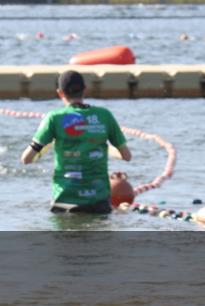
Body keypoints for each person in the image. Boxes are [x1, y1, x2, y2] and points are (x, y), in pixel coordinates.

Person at [20, 70, 132, 214]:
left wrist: (47, 146)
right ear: (85, 90)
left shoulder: (54, 118)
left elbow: (26, 159)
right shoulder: (104, 115)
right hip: (98, 201)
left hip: (64, 200)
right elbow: (127, 156)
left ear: (60, 93)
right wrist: (105, 148)